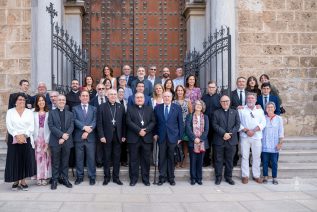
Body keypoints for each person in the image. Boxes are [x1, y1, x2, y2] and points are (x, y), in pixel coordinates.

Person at [5, 93, 36, 191]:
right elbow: (9, 125)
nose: (22, 101)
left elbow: (31, 126)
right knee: (15, 159)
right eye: (19, 99)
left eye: (23, 100)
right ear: (15, 101)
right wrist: (16, 135)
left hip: (26, 138)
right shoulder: (10, 112)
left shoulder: (29, 112)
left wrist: (24, 135)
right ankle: (15, 180)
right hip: (14, 138)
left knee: (24, 159)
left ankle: (23, 181)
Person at [126, 92, 156, 186]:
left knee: (146, 160)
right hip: (133, 138)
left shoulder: (149, 109)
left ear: (144, 99)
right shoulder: (130, 109)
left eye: (141, 97)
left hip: (146, 139)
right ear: (134, 99)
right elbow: (128, 122)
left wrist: (145, 130)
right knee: (133, 160)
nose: (139, 99)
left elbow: (153, 122)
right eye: (137, 97)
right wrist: (139, 130)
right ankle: (133, 179)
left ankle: (145, 179)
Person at [97, 89, 126, 186]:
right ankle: (106, 177)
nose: (113, 96)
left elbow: (123, 123)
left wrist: (123, 135)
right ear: (107, 96)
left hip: (118, 136)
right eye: (111, 94)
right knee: (106, 158)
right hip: (106, 137)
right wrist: (101, 135)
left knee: (117, 158)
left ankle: (116, 177)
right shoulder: (102, 107)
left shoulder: (121, 107)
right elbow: (99, 123)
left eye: (114, 94)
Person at [154, 91, 184, 186]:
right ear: (162, 97)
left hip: (173, 137)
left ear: (171, 98)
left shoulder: (177, 108)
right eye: (165, 96)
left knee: (171, 157)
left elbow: (180, 123)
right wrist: (155, 133)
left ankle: (171, 178)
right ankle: (162, 177)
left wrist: (180, 136)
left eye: (168, 96)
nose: (167, 98)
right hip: (161, 136)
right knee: (161, 157)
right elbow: (155, 122)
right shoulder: (157, 108)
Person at [212, 95, 240, 185]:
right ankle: (218, 177)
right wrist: (224, 133)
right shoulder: (216, 113)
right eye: (223, 101)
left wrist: (229, 134)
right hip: (219, 140)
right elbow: (215, 125)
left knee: (229, 160)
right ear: (220, 103)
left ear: (229, 101)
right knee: (218, 160)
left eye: (227, 101)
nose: (225, 103)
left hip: (231, 141)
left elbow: (237, 125)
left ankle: (228, 177)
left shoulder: (235, 112)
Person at [239, 92, 266, 184]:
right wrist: (246, 131)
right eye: (249, 98)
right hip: (244, 136)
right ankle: (245, 175)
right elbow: (238, 123)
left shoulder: (260, 110)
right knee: (245, 156)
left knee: (256, 157)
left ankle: (256, 175)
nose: (250, 100)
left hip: (257, 137)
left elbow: (263, 123)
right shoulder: (241, 110)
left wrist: (253, 131)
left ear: (255, 100)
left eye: (252, 98)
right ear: (246, 99)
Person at [48, 94, 74, 190]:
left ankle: (65, 178)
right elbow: (51, 126)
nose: (61, 101)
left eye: (63, 100)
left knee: (65, 162)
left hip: (67, 141)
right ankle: (54, 180)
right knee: (55, 162)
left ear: (65, 101)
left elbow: (72, 126)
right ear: (56, 101)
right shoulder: (51, 113)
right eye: (60, 100)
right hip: (55, 141)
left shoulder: (70, 114)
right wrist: (61, 135)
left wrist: (65, 136)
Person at [73, 91, 97, 186]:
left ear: (89, 98)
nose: (85, 97)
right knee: (79, 158)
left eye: (87, 96)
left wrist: (87, 131)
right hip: (79, 137)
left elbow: (95, 120)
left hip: (90, 137)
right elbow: (74, 120)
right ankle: (79, 176)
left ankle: (92, 177)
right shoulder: (75, 108)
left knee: (91, 158)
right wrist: (84, 128)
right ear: (80, 97)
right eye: (83, 96)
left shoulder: (94, 108)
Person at [185, 100, 209, 185]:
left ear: (202, 107)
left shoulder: (205, 117)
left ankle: (199, 178)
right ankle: (193, 178)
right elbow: (187, 128)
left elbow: (206, 130)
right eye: (197, 104)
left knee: (200, 161)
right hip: (193, 142)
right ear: (194, 106)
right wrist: (194, 138)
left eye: (200, 105)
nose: (198, 106)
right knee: (193, 161)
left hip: (202, 143)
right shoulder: (189, 116)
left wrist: (201, 139)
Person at [262, 102, 284, 185]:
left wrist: (280, 143)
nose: (270, 109)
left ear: (274, 108)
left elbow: (281, 132)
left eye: (271, 107)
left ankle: (275, 177)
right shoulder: (263, 118)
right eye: (268, 107)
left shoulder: (279, 118)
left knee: (274, 162)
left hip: (275, 145)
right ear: (266, 109)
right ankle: (265, 177)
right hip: (265, 144)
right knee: (265, 162)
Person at [33, 94, 51, 186]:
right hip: (37, 137)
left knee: (45, 157)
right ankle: (38, 176)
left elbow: (50, 127)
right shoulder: (33, 113)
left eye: (42, 100)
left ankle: (44, 177)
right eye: (39, 101)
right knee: (38, 158)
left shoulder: (49, 113)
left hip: (46, 137)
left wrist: (47, 141)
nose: (41, 102)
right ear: (37, 102)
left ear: (45, 102)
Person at [201, 81, 221, 167]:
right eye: (210, 87)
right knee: (206, 143)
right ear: (207, 88)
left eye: (213, 87)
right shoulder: (203, 97)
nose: (211, 89)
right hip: (206, 124)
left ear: (216, 88)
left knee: (216, 143)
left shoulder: (219, 98)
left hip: (216, 124)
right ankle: (206, 160)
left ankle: (215, 161)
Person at [173, 85, 193, 167]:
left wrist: (189, 124)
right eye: (178, 90)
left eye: (181, 90)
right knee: (177, 143)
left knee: (185, 143)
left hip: (185, 125)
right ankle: (178, 160)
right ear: (176, 92)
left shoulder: (187, 101)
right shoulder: (173, 102)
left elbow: (191, 113)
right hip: (176, 125)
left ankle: (184, 160)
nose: (180, 92)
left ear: (184, 91)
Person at [230, 76, 247, 167]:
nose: (241, 83)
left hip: (246, 121)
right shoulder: (231, 93)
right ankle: (234, 159)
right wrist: (236, 107)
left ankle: (247, 160)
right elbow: (229, 105)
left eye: (243, 82)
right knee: (235, 141)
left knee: (247, 140)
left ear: (245, 83)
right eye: (239, 81)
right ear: (236, 83)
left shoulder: (249, 93)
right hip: (234, 120)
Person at [89, 83, 107, 168]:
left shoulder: (108, 99)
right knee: (98, 145)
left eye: (103, 88)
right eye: (99, 89)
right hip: (96, 126)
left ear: (105, 89)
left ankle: (107, 161)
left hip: (107, 127)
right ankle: (99, 161)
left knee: (107, 144)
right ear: (97, 90)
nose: (101, 90)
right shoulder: (92, 101)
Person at [118, 87, 128, 167]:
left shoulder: (126, 102)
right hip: (117, 125)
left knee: (124, 144)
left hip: (124, 125)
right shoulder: (115, 102)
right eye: (119, 92)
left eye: (122, 92)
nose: (121, 93)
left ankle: (124, 161)